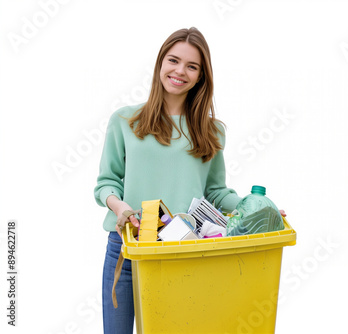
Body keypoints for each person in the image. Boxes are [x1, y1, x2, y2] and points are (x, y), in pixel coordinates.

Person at [94, 27, 285, 334]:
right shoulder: (125, 122)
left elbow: (215, 192)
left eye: (192, 66)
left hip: (184, 252)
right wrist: (120, 208)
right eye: (173, 60)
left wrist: (256, 208)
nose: (180, 71)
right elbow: (106, 183)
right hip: (128, 248)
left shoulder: (211, 131)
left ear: (200, 76)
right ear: (160, 64)